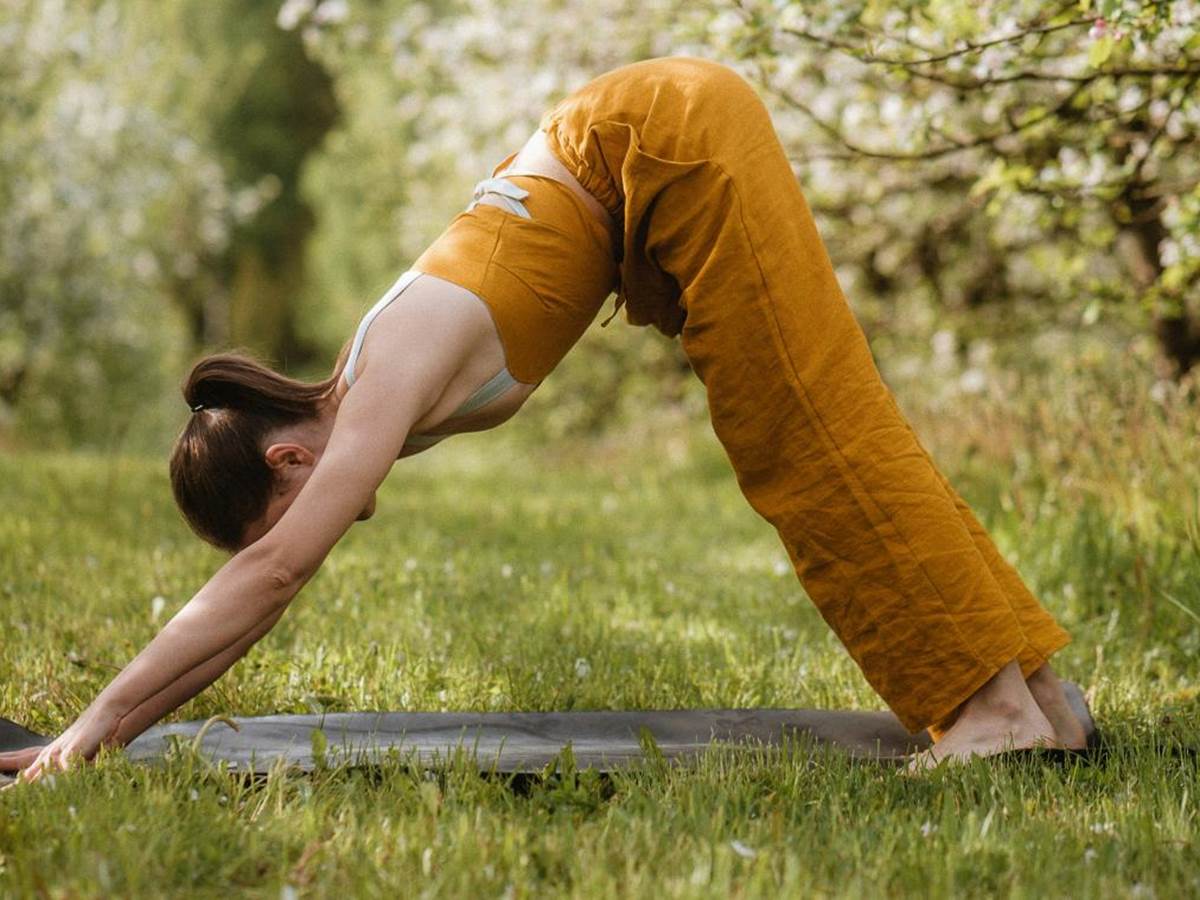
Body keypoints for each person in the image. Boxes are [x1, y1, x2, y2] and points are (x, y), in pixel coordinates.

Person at [0, 56, 1087, 782]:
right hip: (658, 151)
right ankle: (1031, 694)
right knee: (820, 421)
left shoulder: (374, 388)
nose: (312, 534)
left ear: (289, 458)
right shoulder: (365, 385)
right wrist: (98, 734)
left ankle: (989, 707)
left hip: (671, 142)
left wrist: (93, 725)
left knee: (807, 434)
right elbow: (263, 585)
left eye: (275, 512)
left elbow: (268, 582)